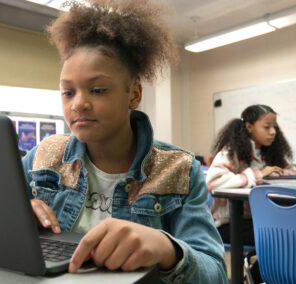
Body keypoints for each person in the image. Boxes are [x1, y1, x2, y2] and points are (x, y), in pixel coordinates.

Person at [22, 0, 227, 282]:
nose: (78, 104)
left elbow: (215, 273)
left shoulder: (179, 170)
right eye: (68, 92)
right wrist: (15, 217)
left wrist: (168, 250)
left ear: (133, 94)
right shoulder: (42, 157)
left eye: (97, 89)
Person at [206, 104, 296, 245]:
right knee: (282, 239)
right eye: (267, 127)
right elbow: (213, 183)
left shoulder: (269, 153)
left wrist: (274, 175)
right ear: (249, 127)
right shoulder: (231, 152)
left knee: (287, 232)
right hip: (230, 223)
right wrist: (257, 175)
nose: (273, 132)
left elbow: (290, 172)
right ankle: (257, 266)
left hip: (260, 218)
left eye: (275, 127)